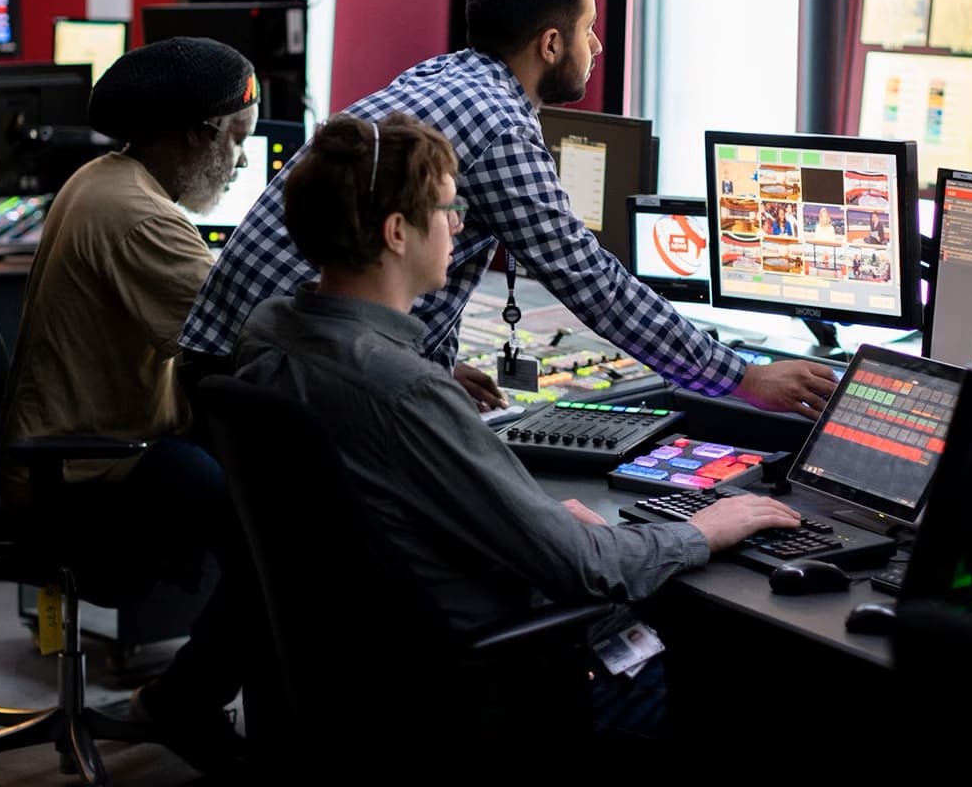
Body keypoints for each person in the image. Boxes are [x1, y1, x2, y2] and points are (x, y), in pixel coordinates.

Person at [231, 113, 802, 732]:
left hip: (363, 673)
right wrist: (703, 528)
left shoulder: (270, 330)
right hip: (490, 678)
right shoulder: (408, 390)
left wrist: (535, 519)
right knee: (740, 671)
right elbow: (587, 566)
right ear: (397, 232)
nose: (459, 224)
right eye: (448, 208)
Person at [182, 0, 835, 419]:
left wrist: (431, 368)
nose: (597, 47)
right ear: (550, 45)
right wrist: (742, 377)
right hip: (291, 380)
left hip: (234, 363)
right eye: (587, 31)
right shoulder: (499, 125)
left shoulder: (442, 74)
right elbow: (590, 280)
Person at [0, 36, 261, 774]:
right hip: (88, 473)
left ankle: (185, 695)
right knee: (278, 532)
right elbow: (247, 329)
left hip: (82, 449)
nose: (241, 160)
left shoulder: (106, 179)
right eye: (237, 139)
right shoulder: (140, 218)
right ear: (196, 135)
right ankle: (185, 703)